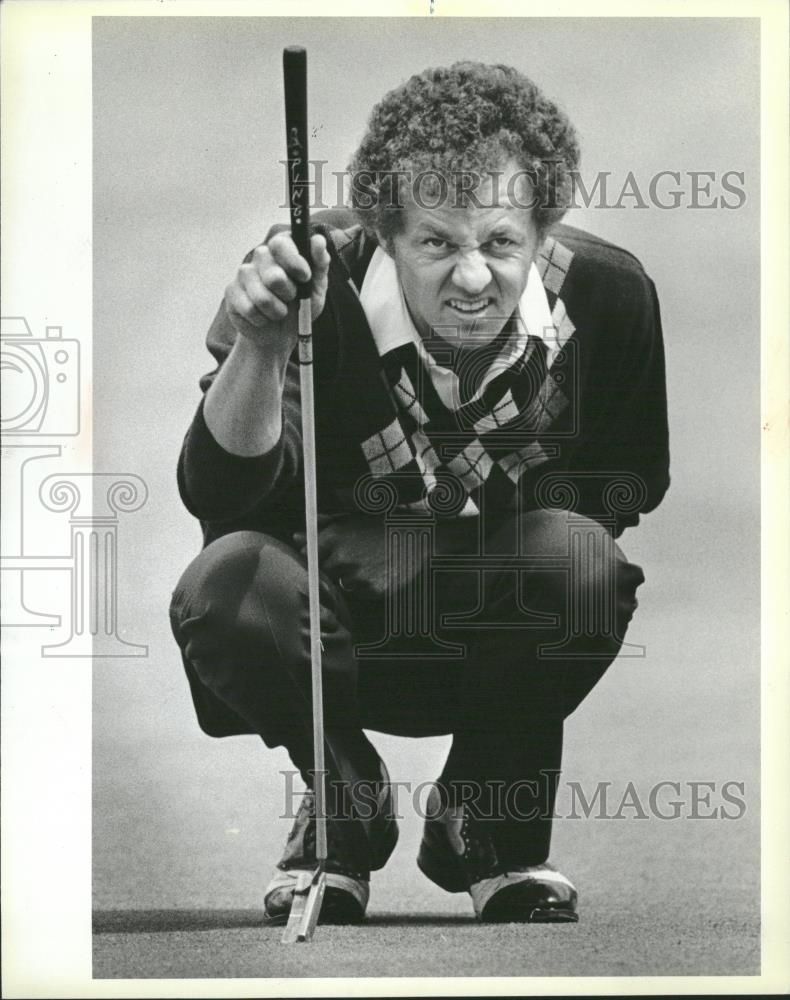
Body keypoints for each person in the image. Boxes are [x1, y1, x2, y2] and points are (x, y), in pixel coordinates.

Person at [169, 61, 669, 925]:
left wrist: (455, 527)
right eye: (436, 242)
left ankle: (487, 815)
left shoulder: (611, 300)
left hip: (495, 633)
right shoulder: (303, 280)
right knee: (225, 585)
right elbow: (221, 494)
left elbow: (624, 490)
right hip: (327, 635)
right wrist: (259, 345)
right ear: (387, 233)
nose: (472, 277)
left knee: (582, 560)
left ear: (543, 228)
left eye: (500, 242)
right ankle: (345, 802)